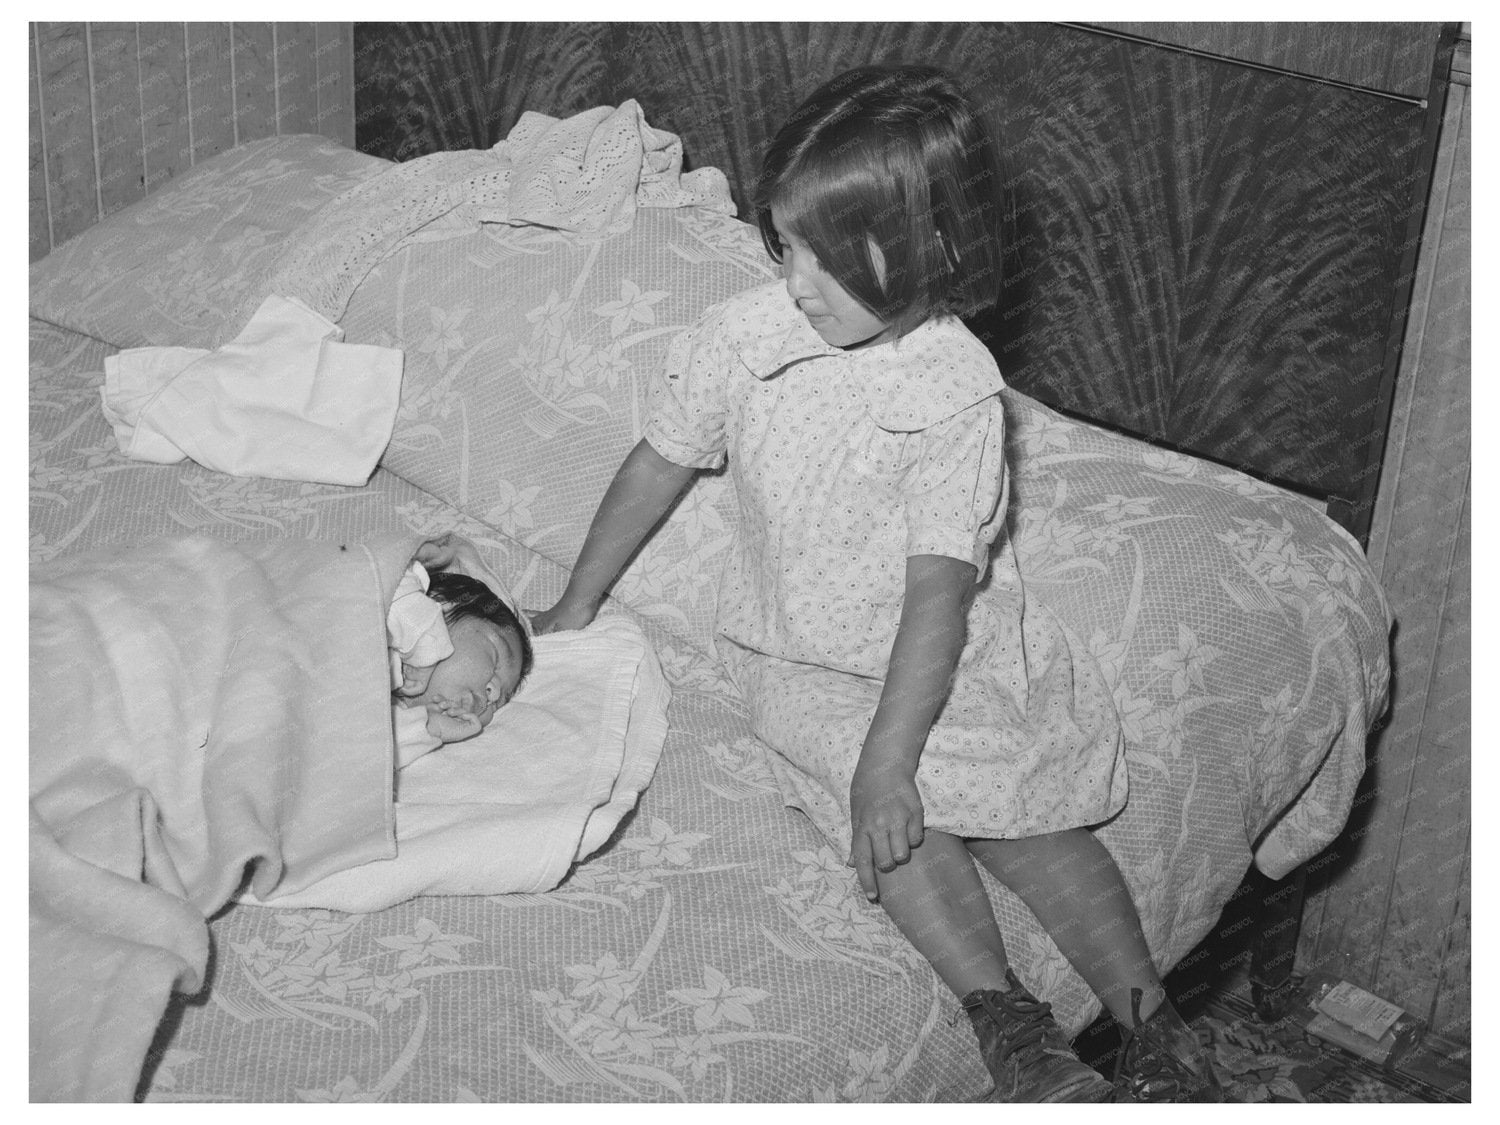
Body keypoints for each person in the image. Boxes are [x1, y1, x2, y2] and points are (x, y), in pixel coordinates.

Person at [532, 64, 1219, 1103]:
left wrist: (901, 756)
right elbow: (658, 458)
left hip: (937, 644)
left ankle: (1154, 1026)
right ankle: (1010, 1025)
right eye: (783, 245)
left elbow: (940, 597)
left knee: (1018, 808)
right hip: (801, 649)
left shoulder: (954, 395)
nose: (797, 280)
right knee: (885, 803)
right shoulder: (745, 338)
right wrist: (576, 604)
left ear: (936, 249)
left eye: (829, 258)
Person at [389, 557, 533, 767]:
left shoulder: (393, 720)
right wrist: (421, 634)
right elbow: (388, 577)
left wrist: (429, 728)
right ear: (442, 605)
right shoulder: (394, 601)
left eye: (501, 701)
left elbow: (362, 755)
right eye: (494, 657)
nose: (493, 693)